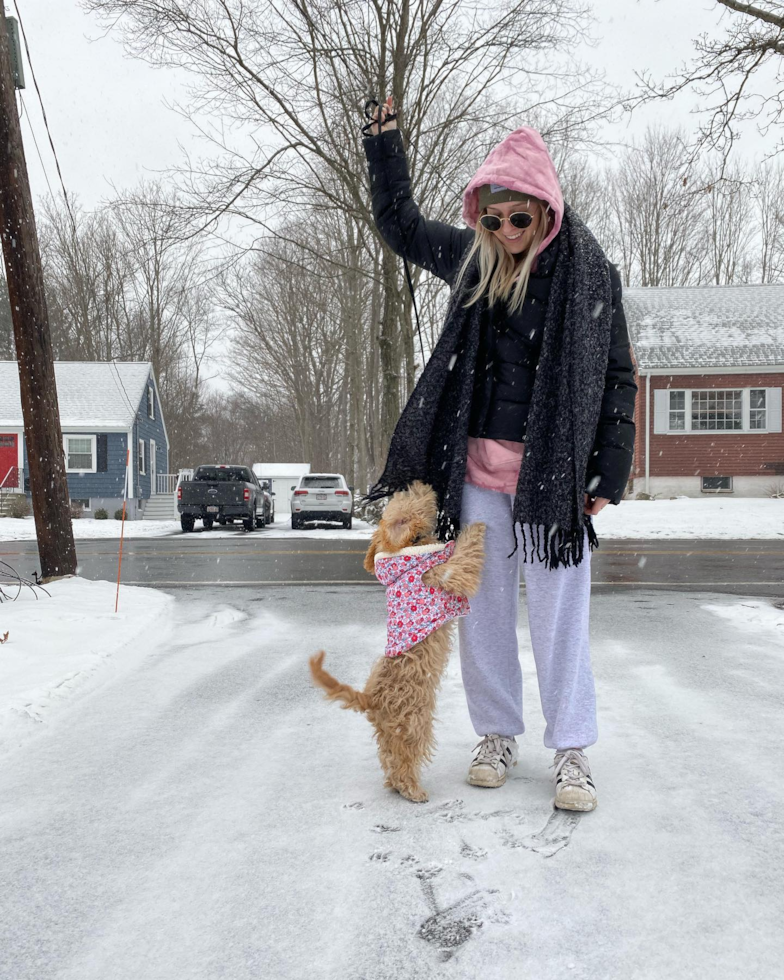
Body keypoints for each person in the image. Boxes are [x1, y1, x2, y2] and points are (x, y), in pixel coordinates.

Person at [361, 97, 637, 811]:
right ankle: (496, 735)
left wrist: (609, 467)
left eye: (520, 218)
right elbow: (400, 226)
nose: (507, 231)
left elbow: (616, 377)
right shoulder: (471, 264)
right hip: (478, 477)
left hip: (553, 482)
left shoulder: (590, 274)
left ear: (546, 209)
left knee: (559, 621)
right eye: (494, 219)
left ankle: (571, 749)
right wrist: (385, 148)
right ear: (479, 215)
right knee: (481, 615)